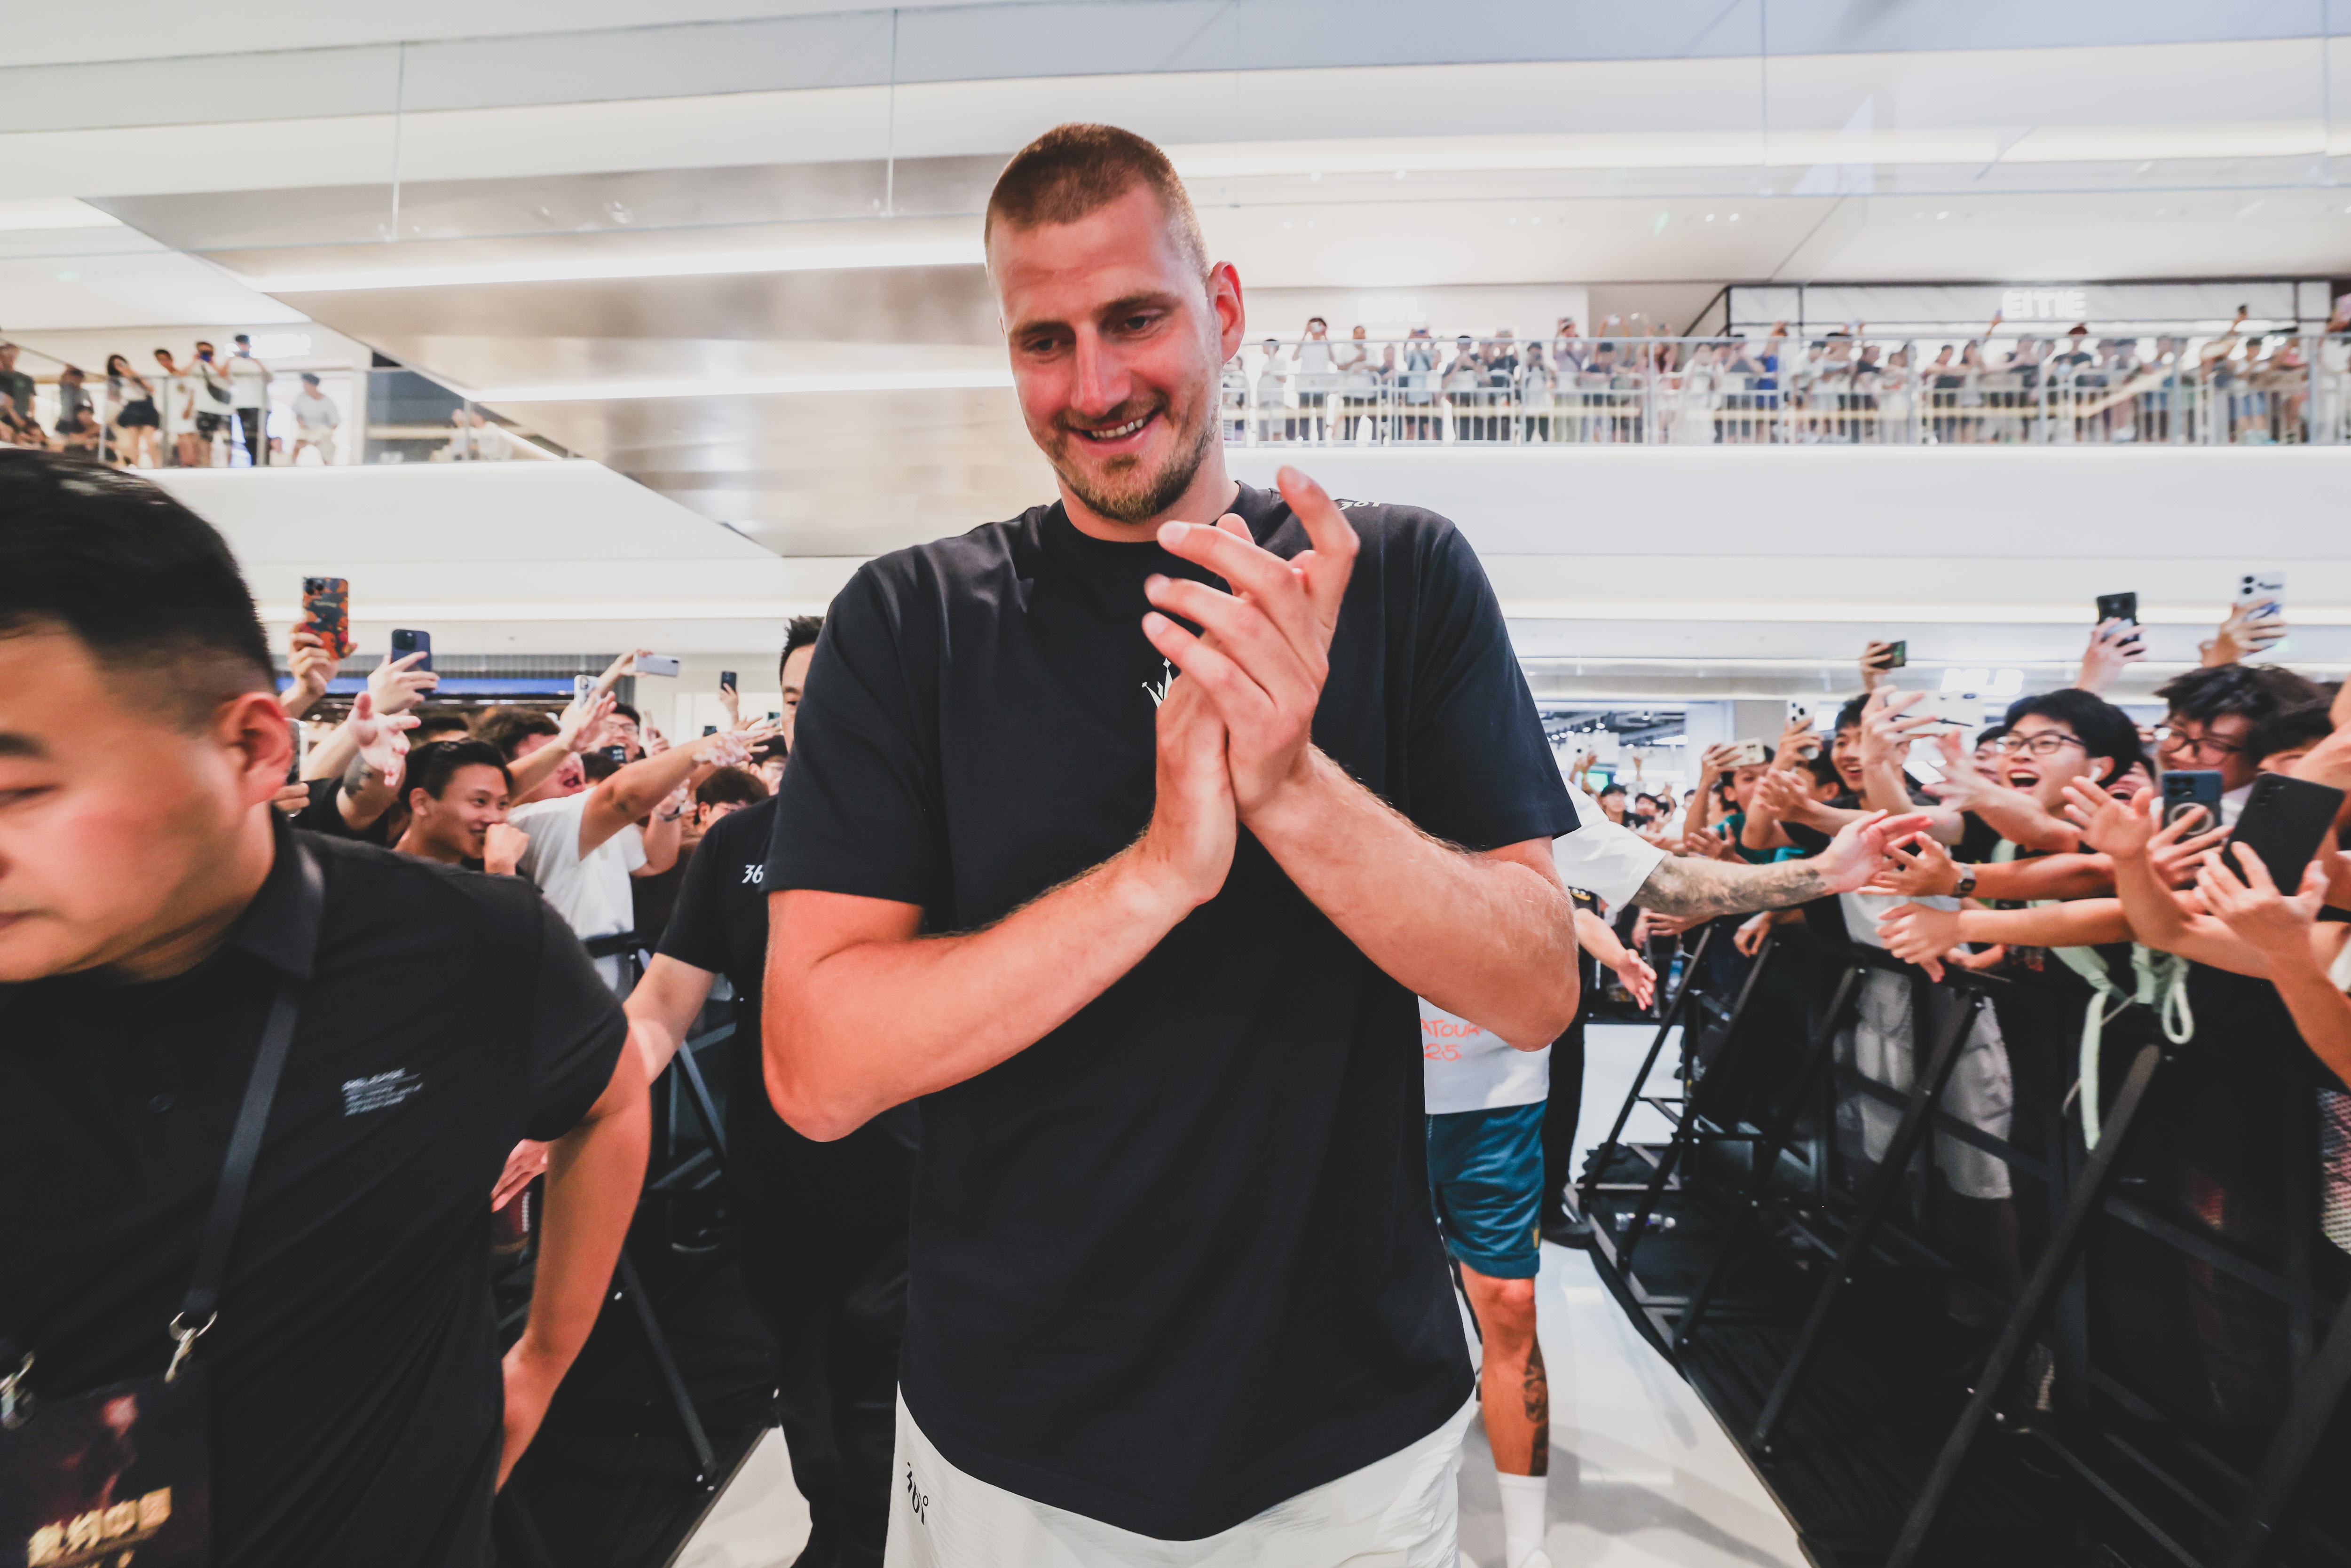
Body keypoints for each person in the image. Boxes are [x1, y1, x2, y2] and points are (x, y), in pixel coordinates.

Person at [765, 123, 1587, 1564]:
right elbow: (815, 1070)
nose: (1094, 386)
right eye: (1045, 339)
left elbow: (1533, 984)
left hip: (1346, 1437)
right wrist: (1157, 872)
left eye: (1135, 318)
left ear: (1222, 307)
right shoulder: (909, 624)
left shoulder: (1399, 578)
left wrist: (1293, 788)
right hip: (1008, 1439)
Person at [0, 450, 649, 1567]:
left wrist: (540, 1361)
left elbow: (610, 1093)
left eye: (22, 791)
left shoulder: (463, 947)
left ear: (253, 746)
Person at [630, 616, 915, 1568]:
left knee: (894, 1377)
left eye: (831, 693)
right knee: (808, 1378)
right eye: (794, 700)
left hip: (916, 1170)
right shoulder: (740, 843)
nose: (812, 715)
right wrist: (581, 1096)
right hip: (778, 1174)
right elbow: (663, 1004)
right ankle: (839, 1533)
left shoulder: (943, 828)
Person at [507, 715, 764, 993]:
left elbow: (654, 862)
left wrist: (666, 813)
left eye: (572, 752)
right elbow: (624, 797)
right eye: (549, 757)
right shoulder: (529, 820)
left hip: (614, 969)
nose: (569, 763)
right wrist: (699, 751)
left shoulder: (593, 821)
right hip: (565, 980)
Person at [391, 739, 513, 867]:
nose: (495, 819)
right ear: (421, 803)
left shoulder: (492, 866)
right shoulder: (381, 874)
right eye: (480, 801)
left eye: (502, 804)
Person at [105, 355, 161, 468]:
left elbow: (151, 389)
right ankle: (136, 467)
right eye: (117, 365)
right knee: (134, 442)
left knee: (149, 440)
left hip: (146, 406)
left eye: (122, 363)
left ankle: (158, 467)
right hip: (131, 407)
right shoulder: (116, 381)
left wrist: (133, 375)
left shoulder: (139, 376)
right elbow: (114, 397)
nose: (120, 366)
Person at [226, 335, 270, 466]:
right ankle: (254, 463)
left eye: (245, 344)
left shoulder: (259, 362)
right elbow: (223, 376)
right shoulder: (234, 363)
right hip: (243, 405)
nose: (243, 347)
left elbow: (270, 377)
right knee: (248, 436)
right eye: (240, 345)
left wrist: (255, 361)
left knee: (261, 436)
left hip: (260, 405)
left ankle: (263, 463)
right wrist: (231, 358)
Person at [290, 373, 339, 465]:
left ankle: (328, 469)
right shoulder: (302, 397)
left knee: (327, 450)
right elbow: (298, 413)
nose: (304, 387)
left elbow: (335, 422)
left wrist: (327, 432)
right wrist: (301, 424)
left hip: (321, 432)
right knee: (297, 446)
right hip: (306, 431)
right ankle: (291, 466)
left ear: (313, 385)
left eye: (306, 384)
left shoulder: (327, 401)